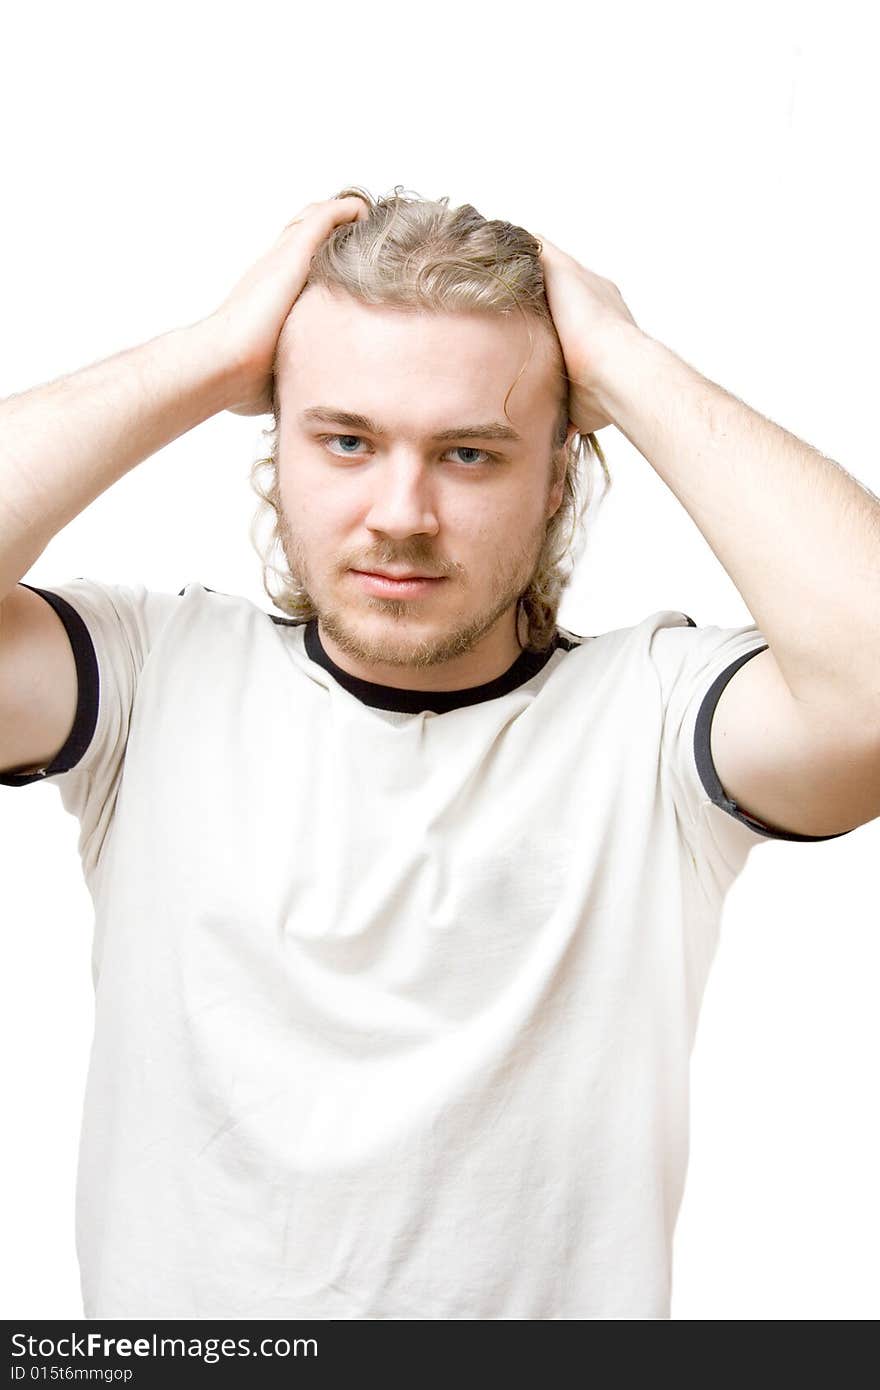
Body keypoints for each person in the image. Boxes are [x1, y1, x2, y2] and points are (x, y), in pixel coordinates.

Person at [1, 187, 878, 1321]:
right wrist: (208, 353)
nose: (400, 512)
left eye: (469, 453)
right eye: (346, 440)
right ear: (278, 449)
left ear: (559, 475)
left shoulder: (653, 722)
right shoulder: (147, 678)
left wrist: (627, 363)